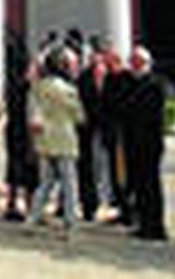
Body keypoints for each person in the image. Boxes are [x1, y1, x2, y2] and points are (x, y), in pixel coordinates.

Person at [29, 46, 84, 234]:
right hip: (64, 138)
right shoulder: (68, 90)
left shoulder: (38, 87)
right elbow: (78, 115)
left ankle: (33, 217)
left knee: (45, 183)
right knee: (69, 184)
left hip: (44, 138)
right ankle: (70, 221)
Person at [122, 46, 169, 241]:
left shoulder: (154, 84)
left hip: (148, 143)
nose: (130, 66)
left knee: (150, 185)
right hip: (135, 142)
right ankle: (144, 223)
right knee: (140, 185)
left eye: (133, 62)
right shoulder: (134, 83)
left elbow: (144, 113)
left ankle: (155, 226)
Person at [0, 36, 38, 222]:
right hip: (24, 132)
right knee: (27, 169)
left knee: (15, 168)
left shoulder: (12, 85)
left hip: (14, 129)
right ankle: (27, 205)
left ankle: (13, 203)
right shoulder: (27, 88)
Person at [76, 45, 115, 220]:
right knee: (88, 167)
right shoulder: (83, 79)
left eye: (100, 61)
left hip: (108, 129)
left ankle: (112, 200)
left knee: (108, 166)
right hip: (87, 129)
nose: (98, 64)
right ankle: (89, 205)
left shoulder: (113, 79)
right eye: (94, 61)